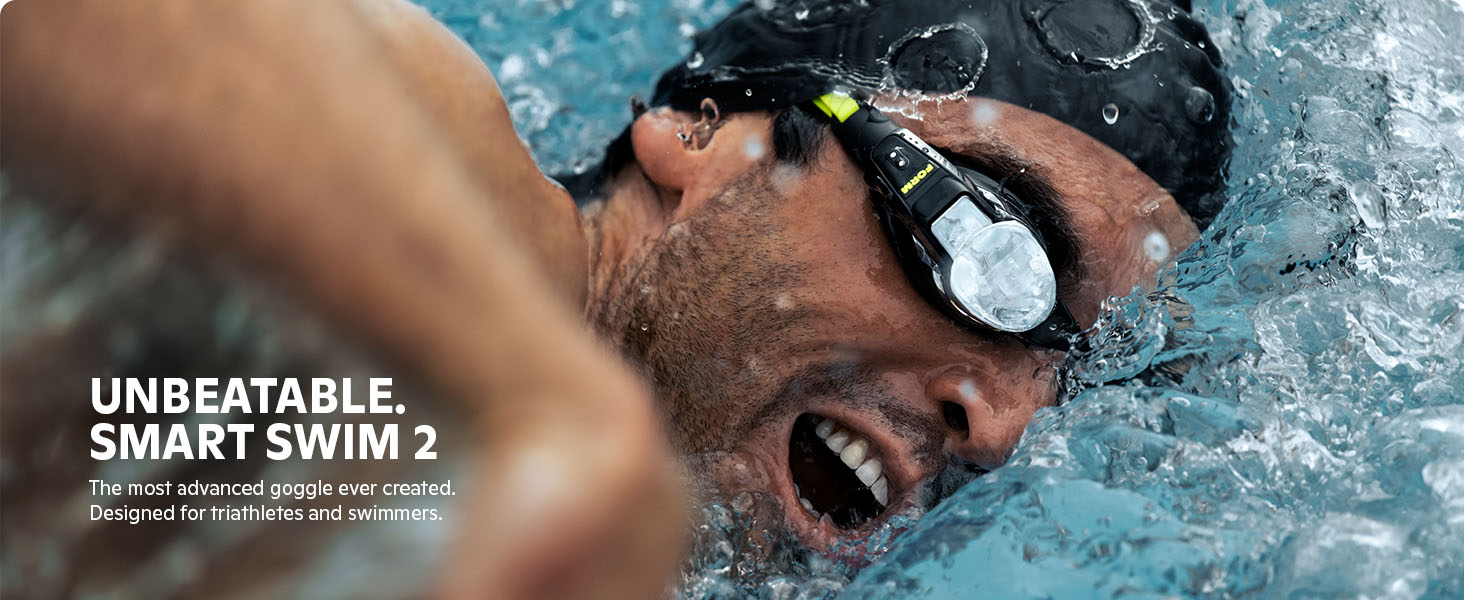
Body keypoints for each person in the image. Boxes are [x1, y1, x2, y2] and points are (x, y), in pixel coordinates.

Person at [1, 0, 1230, 597]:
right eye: (992, 251)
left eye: (1078, 364)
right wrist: (540, 401)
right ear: (698, 135)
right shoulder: (456, 182)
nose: (1006, 425)